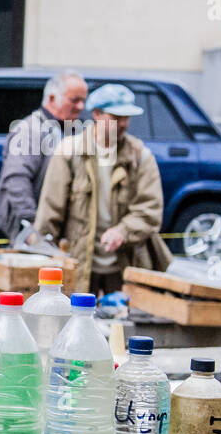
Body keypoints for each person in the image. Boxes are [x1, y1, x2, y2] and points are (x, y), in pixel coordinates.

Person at [33, 83, 173, 297]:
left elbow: (150, 210)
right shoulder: (70, 152)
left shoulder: (140, 157)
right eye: (116, 117)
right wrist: (41, 255)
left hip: (125, 266)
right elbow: (50, 212)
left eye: (127, 118)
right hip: (78, 264)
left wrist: (122, 231)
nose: (124, 124)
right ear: (97, 114)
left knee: (119, 327)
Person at [0, 70, 88, 242]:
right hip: (36, 232)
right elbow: (16, 180)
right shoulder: (29, 131)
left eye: (83, 100)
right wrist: (32, 226)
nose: (81, 107)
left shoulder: (74, 131)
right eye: (75, 100)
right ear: (52, 99)